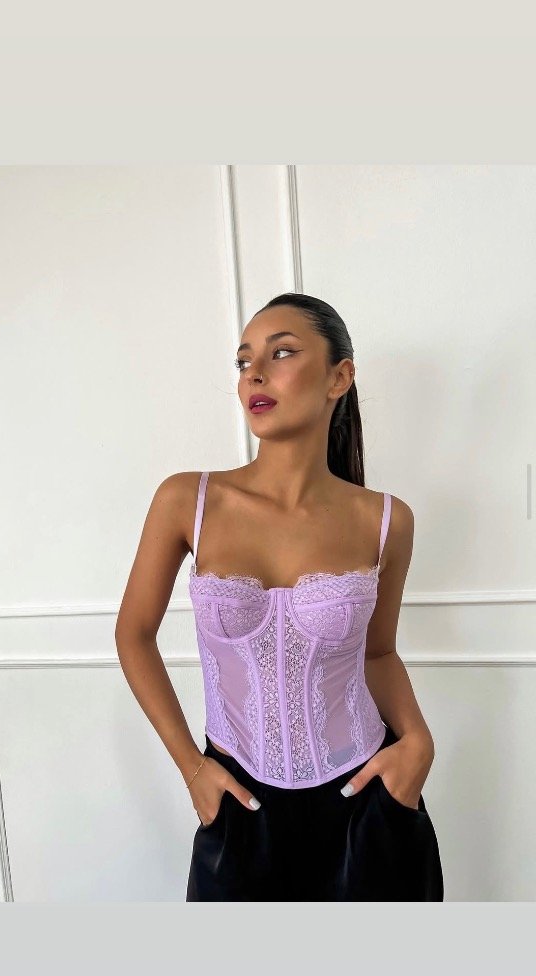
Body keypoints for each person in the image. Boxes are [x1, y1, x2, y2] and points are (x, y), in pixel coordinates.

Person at [115, 292, 444, 902]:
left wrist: (418, 742)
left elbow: (378, 653)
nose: (255, 375)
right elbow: (133, 635)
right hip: (238, 802)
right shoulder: (187, 500)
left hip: (365, 800)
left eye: (282, 353)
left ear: (339, 377)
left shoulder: (386, 520)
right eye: (244, 362)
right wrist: (193, 768)